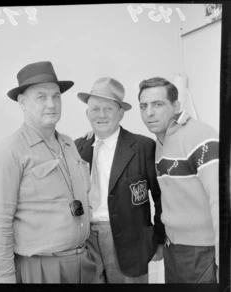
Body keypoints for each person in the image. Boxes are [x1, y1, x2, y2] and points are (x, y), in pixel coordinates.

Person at [0, 61, 97, 283]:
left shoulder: (68, 144)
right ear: (22, 102)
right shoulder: (9, 153)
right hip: (41, 269)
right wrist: (5, 279)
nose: (51, 104)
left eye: (56, 96)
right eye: (41, 97)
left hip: (82, 264)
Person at [74, 77, 165, 283]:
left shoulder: (143, 147)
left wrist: (159, 240)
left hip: (131, 244)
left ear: (121, 114)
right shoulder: (77, 148)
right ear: (87, 113)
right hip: (86, 240)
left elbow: (160, 199)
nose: (102, 115)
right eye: (95, 109)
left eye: (109, 109)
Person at [138, 77, 219, 283]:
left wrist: (223, 259)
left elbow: (221, 201)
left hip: (203, 251)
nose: (149, 113)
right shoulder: (160, 142)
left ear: (175, 106)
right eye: (144, 106)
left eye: (158, 104)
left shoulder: (200, 136)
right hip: (173, 248)